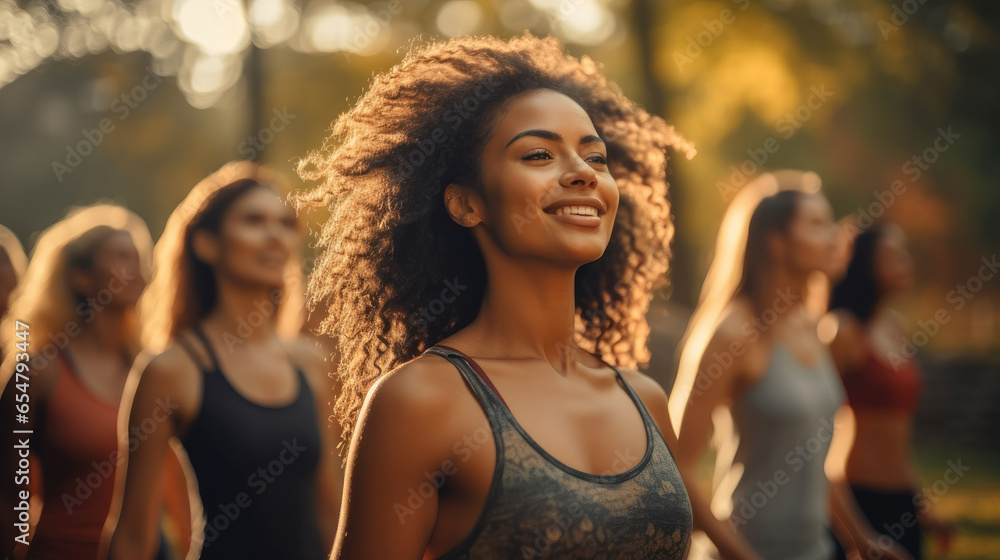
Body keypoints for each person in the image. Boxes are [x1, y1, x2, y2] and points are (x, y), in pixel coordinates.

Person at [292, 32, 699, 559]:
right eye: (538, 154)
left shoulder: (646, 400)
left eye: (596, 158)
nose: (581, 173)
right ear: (465, 204)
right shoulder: (419, 401)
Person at [667, 172, 913, 560]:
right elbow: (677, 467)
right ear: (776, 242)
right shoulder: (733, 333)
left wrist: (862, 541)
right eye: (816, 224)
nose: (835, 236)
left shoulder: (812, 325)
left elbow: (813, 459)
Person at [105, 162, 342, 559]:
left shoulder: (313, 363)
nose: (275, 236)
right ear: (206, 244)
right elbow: (132, 534)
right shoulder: (170, 371)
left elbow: (332, 511)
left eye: (285, 223)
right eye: (254, 220)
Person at [0, 205, 177, 560]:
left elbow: (174, 490)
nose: (138, 270)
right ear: (81, 277)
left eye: (139, 258)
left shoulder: (158, 371)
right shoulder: (37, 373)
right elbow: (9, 496)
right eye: (121, 257)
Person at [827, 221, 955, 559]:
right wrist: (857, 534)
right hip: (858, 497)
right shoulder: (843, 331)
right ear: (865, 263)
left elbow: (899, 437)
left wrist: (921, 505)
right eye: (894, 257)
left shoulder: (896, 326)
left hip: (903, 500)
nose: (906, 264)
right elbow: (816, 433)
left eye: (905, 255)